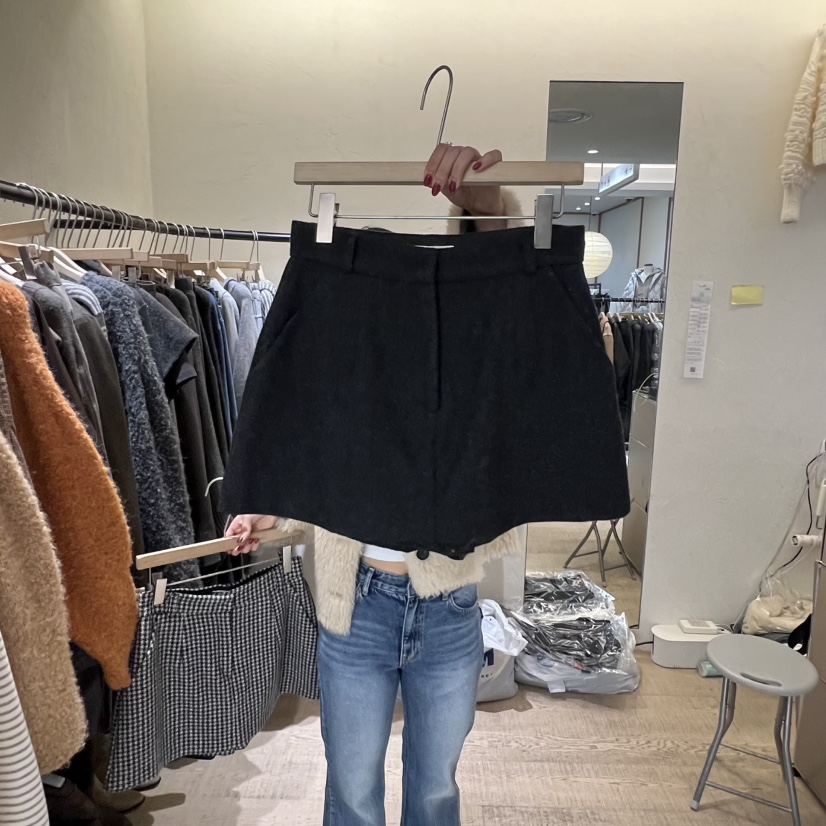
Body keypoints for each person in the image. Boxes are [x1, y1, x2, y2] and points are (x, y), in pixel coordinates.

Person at [226, 145, 523, 826]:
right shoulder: (345, 370)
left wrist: (486, 205)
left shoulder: (465, 367)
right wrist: (274, 514)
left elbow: (504, 289)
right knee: (353, 792)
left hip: (448, 609)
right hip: (355, 608)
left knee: (436, 790)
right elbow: (323, 465)